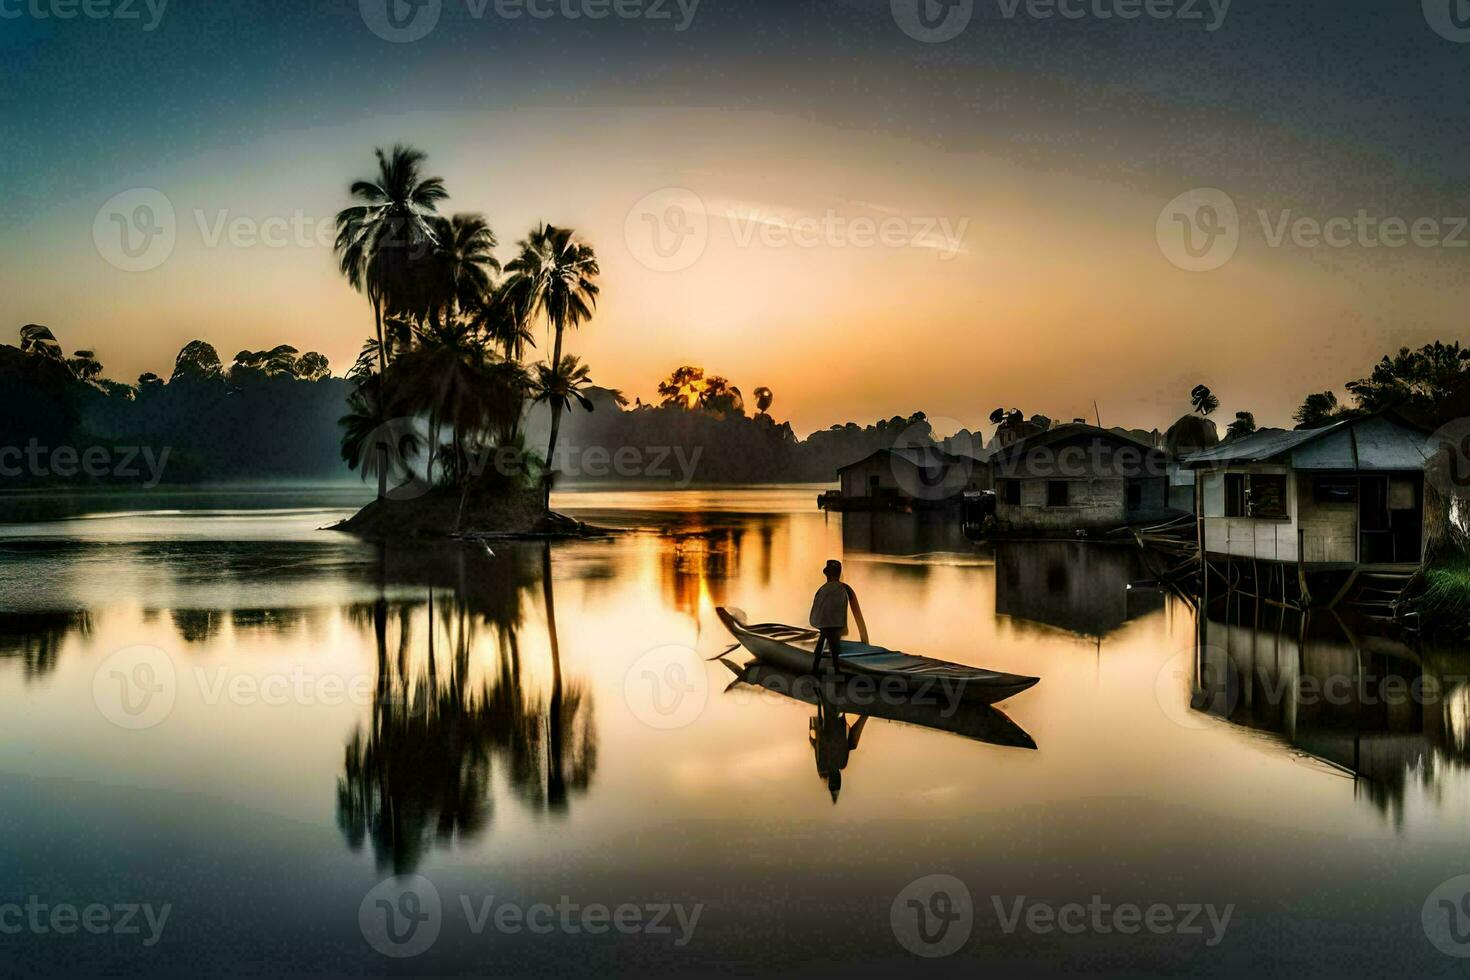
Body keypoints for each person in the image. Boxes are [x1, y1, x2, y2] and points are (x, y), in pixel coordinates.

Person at [808, 559, 868, 674]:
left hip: (825, 626)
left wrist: (817, 624)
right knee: (833, 649)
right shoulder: (844, 588)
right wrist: (864, 638)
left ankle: (816, 670)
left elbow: (815, 612)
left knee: (823, 645)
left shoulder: (822, 589)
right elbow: (857, 614)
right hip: (835, 626)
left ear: (827, 574)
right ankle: (833, 671)